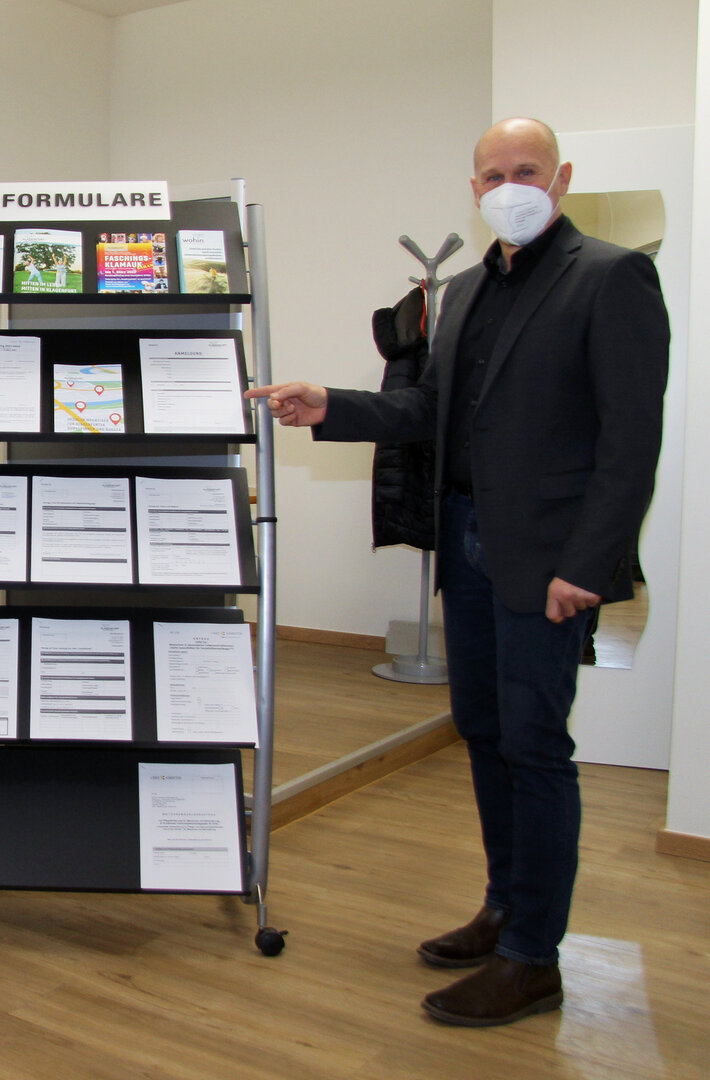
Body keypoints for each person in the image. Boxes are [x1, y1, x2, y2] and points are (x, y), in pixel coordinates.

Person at [247, 118, 669, 1027]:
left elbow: (631, 441)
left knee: (536, 747)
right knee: (482, 730)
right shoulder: (470, 288)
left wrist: (588, 566)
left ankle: (533, 959)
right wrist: (331, 406)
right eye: (491, 175)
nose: (508, 187)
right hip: (467, 541)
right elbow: (432, 409)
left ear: (561, 179)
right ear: (473, 189)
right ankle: (504, 907)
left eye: (526, 171)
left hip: (547, 563)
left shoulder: (610, 277)